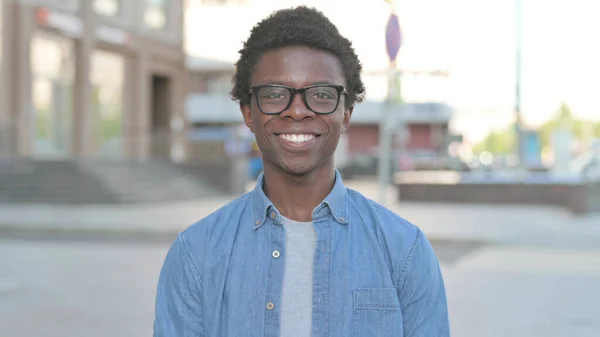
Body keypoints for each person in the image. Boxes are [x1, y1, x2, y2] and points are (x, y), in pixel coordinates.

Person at [154, 6, 450, 337]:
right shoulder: (196, 253)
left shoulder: (404, 249)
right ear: (248, 112)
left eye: (322, 95)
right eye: (275, 94)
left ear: (347, 113)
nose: (297, 111)